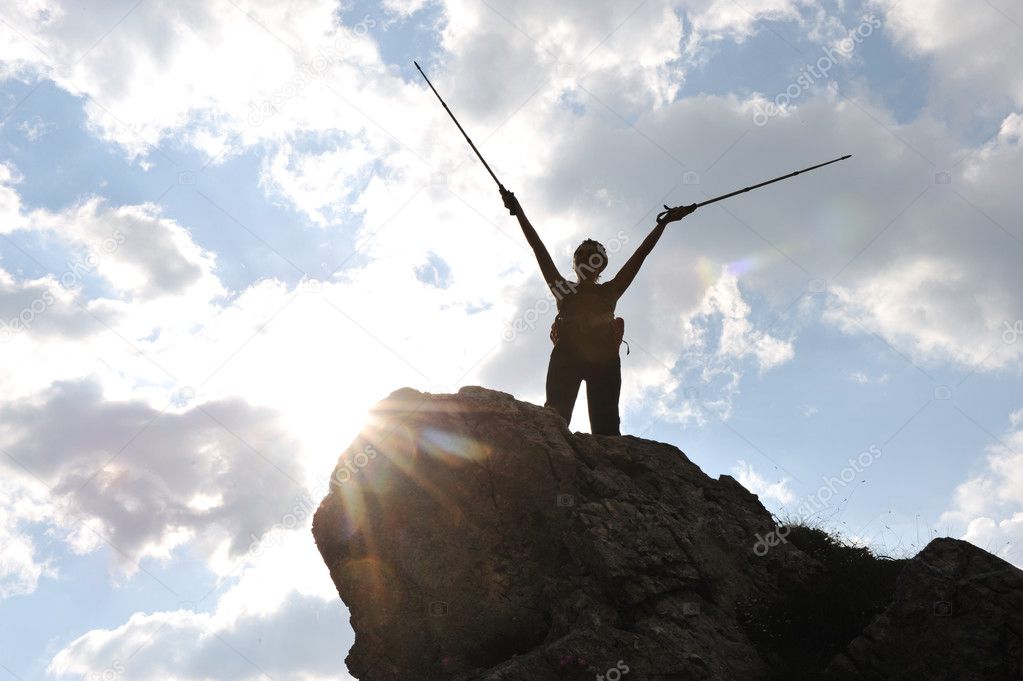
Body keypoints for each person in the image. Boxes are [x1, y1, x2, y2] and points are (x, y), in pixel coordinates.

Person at [501, 187, 696, 435]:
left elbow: (641, 254)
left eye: (593, 253)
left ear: (602, 263)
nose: (585, 256)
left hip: (604, 359)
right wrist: (518, 212)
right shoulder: (563, 290)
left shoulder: (611, 291)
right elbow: (538, 247)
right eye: (581, 253)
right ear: (574, 263)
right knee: (554, 419)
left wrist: (664, 223)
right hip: (567, 356)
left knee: (606, 429)